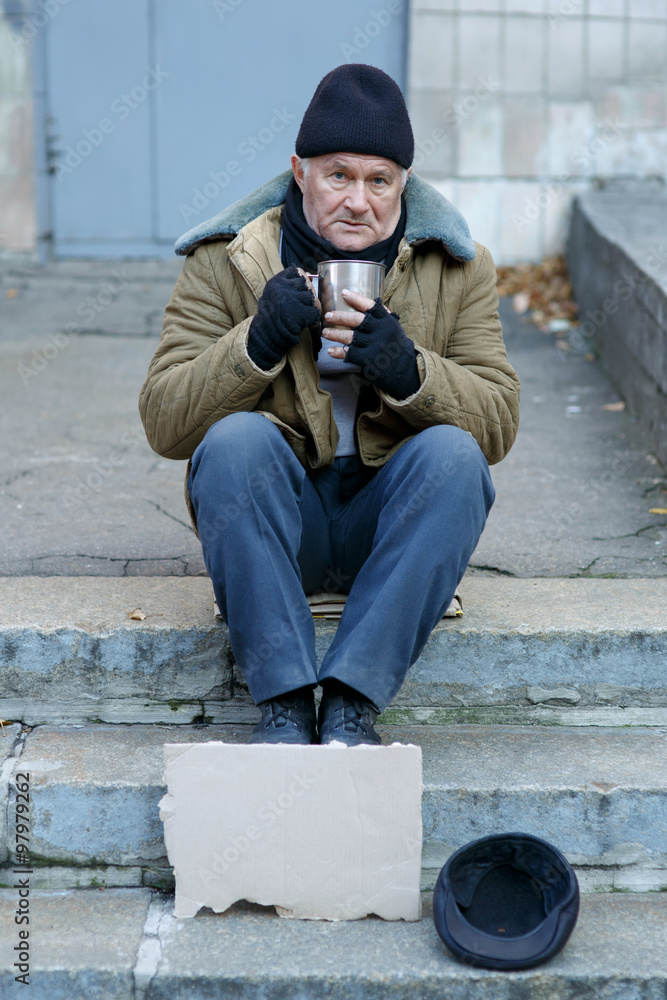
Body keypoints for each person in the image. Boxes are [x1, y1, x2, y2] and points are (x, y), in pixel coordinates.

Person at [139, 63, 520, 747]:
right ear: (299, 172)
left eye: (378, 180)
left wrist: (409, 374)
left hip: (389, 533)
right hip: (283, 534)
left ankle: (351, 701)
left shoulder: (456, 266)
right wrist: (253, 344)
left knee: (455, 456)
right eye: (337, 175)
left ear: (402, 183)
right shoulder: (224, 261)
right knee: (233, 442)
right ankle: (284, 704)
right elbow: (166, 422)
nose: (357, 200)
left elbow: (497, 422)